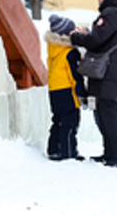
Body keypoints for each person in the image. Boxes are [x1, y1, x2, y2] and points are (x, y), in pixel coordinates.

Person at [70, 0, 117, 167]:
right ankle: (112, 152)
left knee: (107, 109)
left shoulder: (113, 13)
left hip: (108, 68)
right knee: (104, 109)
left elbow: (96, 41)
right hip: (115, 66)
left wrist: (77, 37)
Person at [45, 14, 87, 161]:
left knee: (57, 121)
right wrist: (82, 95)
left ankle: (53, 150)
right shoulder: (70, 52)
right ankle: (68, 153)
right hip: (67, 91)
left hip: (54, 91)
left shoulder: (53, 49)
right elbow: (75, 76)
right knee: (70, 124)